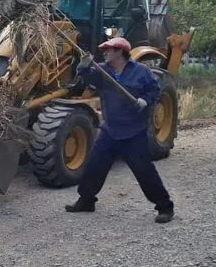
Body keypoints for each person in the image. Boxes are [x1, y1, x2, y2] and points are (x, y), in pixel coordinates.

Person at [65, 37, 175, 223]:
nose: (105, 52)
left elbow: (154, 89)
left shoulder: (141, 71)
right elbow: (88, 78)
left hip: (133, 131)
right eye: (104, 49)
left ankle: (165, 207)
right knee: (94, 166)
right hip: (110, 130)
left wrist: (146, 100)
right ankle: (86, 200)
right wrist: (83, 66)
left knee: (144, 171)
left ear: (120, 52)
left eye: (108, 49)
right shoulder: (102, 70)